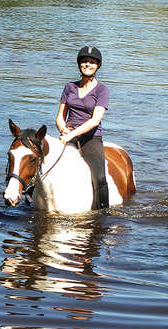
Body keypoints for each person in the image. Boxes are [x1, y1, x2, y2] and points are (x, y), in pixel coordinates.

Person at [55, 46, 110, 210]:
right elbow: (60, 116)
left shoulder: (102, 90)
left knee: (99, 176)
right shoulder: (69, 87)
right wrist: (62, 129)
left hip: (91, 138)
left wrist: (70, 135)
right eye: (85, 61)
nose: (88, 64)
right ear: (79, 64)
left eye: (92, 62)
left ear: (97, 66)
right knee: (42, 164)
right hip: (68, 134)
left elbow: (95, 120)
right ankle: (30, 200)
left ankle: (103, 212)